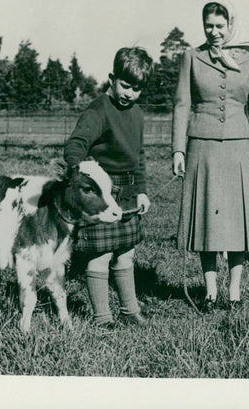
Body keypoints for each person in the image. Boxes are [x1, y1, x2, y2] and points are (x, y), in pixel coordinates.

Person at [172, 1, 249, 311]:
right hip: (202, 147)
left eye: (219, 26)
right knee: (206, 221)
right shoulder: (192, 57)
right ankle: (211, 291)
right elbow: (182, 105)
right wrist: (178, 149)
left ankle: (235, 292)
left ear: (230, 26)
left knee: (237, 222)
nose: (214, 32)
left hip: (239, 147)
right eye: (208, 26)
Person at [64, 46, 154, 326]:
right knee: (100, 255)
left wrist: (141, 190)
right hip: (103, 195)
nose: (129, 93)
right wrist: (82, 174)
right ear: (111, 79)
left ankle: (130, 311)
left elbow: (138, 156)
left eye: (136, 89)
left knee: (127, 252)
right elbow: (75, 145)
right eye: (125, 85)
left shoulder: (137, 114)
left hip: (127, 194)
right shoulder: (98, 111)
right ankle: (102, 317)